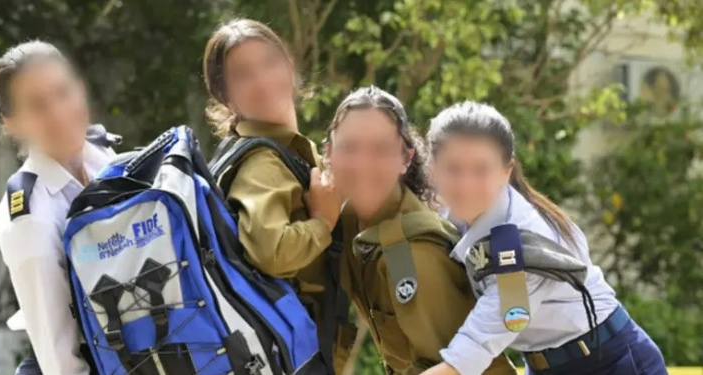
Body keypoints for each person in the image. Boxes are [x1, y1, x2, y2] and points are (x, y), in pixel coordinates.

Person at [421, 101, 667, 375]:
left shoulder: (519, 245)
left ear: (506, 172)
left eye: (481, 170)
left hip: (610, 363)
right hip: (545, 365)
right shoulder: (456, 209)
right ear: (433, 169)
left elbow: (470, 354)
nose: (466, 185)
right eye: (453, 169)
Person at [325, 87, 515, 375]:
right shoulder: (348, 222)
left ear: (405, 159)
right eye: (349, 148)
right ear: (329, 153)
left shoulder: (411, 253)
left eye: (380, 150)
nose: (362, 164)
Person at [202, 19, 348, 371]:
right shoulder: (262, 162)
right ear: (226, 96)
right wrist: (323, 221)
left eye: (270, 63)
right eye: (244, 74)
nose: (263, 80)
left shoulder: (289, 150)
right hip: (292, 356)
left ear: (289, 65)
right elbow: (272, 251)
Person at [0, 41, 119, 375]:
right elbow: (61, 362)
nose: (59, 112)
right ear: (13, 123)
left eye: (63, 92)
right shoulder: (29, 217)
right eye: (37, 105)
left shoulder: (109, 162)